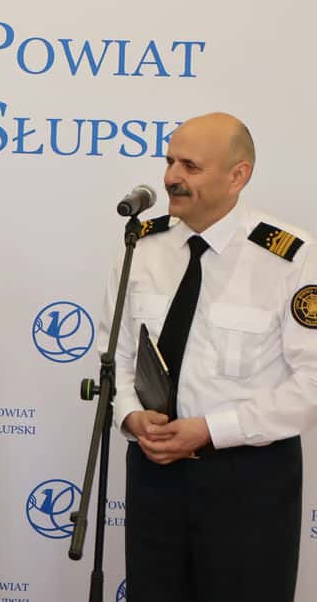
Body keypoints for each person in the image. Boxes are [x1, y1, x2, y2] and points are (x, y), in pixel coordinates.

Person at [100, 112, 317, 601]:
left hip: (249, 480)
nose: (171, 177)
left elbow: (312, 384)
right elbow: (116, 354)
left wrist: (211, 429)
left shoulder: (291, 257)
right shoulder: (142, 244)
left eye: (190, 166)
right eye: (169, 161)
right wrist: (130, 415)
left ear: (238, 176)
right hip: (155, 475)